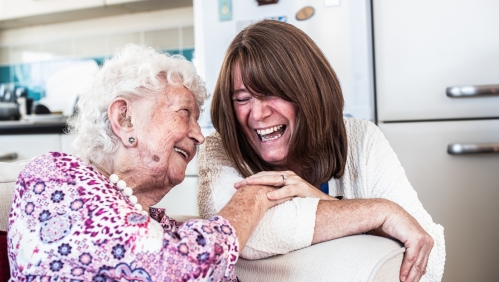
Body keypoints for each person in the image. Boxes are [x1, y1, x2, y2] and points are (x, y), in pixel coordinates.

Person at [7, 44, 288, 281]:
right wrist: (253, 197)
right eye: (184, 112)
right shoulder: (51, 178)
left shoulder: (158, 227)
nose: (199, 136)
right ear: (124, 119)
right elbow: (176, 267)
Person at [198, 20, 445, 282]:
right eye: (243, 99)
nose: (258, 114)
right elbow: (235, 237)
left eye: (271, 93)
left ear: (308, 90)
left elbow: (429, 252)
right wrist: (380, 213)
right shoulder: (219, 149)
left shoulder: (361, 138)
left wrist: (321, 200)